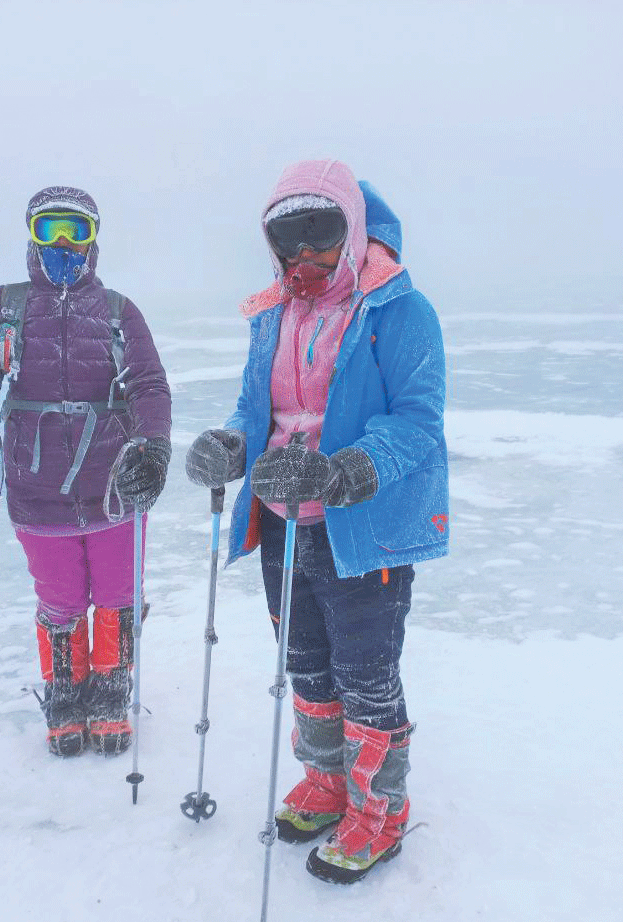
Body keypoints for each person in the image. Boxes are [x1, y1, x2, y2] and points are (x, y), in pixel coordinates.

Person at [186, 159, 449, 883]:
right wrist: (232, 445)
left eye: (322, 235)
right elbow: (257, 410)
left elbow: (417, 421)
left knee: (365, 671)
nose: (305, 255)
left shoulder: (399, 310)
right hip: (281, 520)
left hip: (361, 529)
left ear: (353, 230)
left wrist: (341, 472)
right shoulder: (271, 313)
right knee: (303, 658)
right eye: (288, 238)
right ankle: (328, 783)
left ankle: (380, 812)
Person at [0, 185, 171, 759]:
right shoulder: (7, 307)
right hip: (37, 486)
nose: (63, 244)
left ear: (94, 241)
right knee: (61, 597)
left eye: (76, 230)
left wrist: (153, 447)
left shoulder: (118, 312)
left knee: (117, 592)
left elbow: (148, 385)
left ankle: (111, 694)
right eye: (50, 230)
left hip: (114, 486)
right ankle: (66, 696)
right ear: (32, 237)